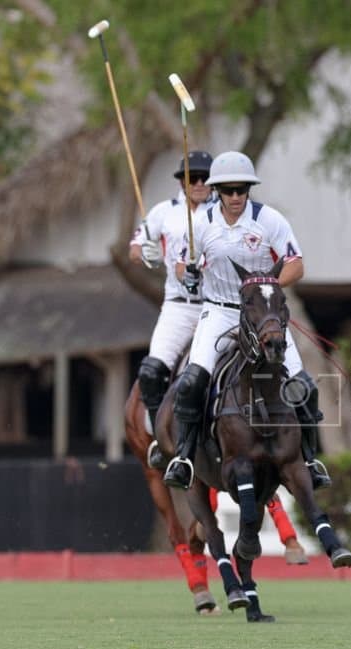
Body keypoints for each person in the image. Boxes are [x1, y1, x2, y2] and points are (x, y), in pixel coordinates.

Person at [162, 150, 331, 492]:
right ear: (216, 191)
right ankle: (183, 457)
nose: (236, 197)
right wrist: (189, 275)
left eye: (242, 190)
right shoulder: (202, 223)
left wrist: (265, 289)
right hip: (219, 310)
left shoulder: (269, 220)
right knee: (192, 381)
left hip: (261, 314)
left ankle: (311, 459)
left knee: (304, 387)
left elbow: (296, 264)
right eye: (228, 190)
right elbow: (182, 265)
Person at [129, 150, 216, 470]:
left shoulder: (224, 213)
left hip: (216, 306)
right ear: (182, 181)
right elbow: (136, 248)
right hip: (178, 308)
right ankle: (161, 440)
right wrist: (146, 252)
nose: (201, 184)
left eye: (207, 178)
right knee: (151, 372)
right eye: (194, 177)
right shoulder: (164, 212)